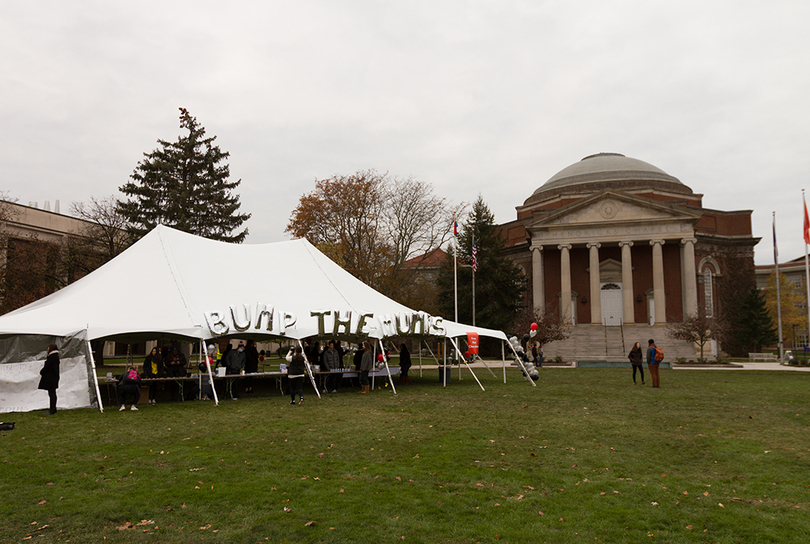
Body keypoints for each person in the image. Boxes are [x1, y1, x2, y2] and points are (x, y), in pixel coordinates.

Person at [38, 343, 60, 415]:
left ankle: (52, 409)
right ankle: (53, 408)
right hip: (53, 377)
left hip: (51, 378)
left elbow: (48, 367)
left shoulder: (52, 357)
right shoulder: (55, 356)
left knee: (52, 393)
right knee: (52, 393)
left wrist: (42, 371)